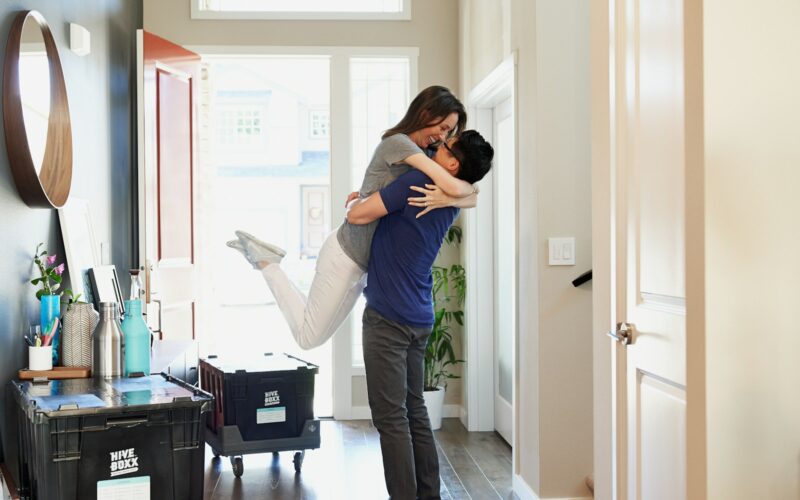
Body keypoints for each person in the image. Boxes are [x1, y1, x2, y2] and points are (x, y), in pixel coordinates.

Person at [228, 86, 478, 350]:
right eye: (443, 127)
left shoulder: (426, 153)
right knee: (307, 338)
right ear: (426, 112)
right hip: (345, 254)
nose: (442, 136)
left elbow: (473, 195)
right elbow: (454, 183)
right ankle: (267, 262)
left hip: (362, 266)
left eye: (449, 132)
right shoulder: (399, 144)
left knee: (313, 332)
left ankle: (267, 261)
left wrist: (449, 197)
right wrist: (452, 193)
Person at [346, 130, 494, 499]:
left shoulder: (419, 180)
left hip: (387, 316)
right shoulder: (453, 197)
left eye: (442, 147)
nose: (434, 148)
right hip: (419, 315)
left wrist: (350, 205)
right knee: (414, 412)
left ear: (452, 162)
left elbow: (361, 215)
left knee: (391, 418)